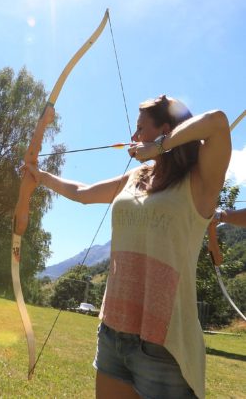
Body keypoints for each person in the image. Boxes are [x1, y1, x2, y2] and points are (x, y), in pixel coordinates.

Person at [23, 95, 231, 399]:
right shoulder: (137, 176)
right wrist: (39, 175)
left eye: (140, 128)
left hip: (165, 343)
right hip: (113, 332)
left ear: (165, 128)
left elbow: (217, 122)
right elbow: (82, 192)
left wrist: (159, 146)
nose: (134, 137)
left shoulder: (201, 181)